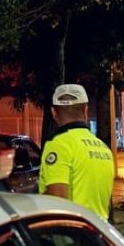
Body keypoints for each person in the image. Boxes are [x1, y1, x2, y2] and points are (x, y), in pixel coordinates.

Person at [39, 84, 115, 220]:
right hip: (98, 233)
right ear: (86, 110)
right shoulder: (104, 149)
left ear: (53, 112)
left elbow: (58, 200)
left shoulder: (59, 146)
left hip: (70, 235)